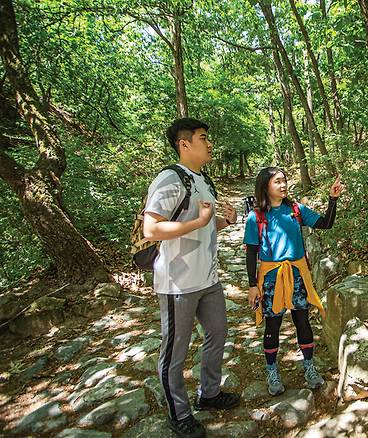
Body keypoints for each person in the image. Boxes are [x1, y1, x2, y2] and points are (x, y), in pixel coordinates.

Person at [143, 118, 240, 438]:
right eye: (202, 138)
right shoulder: (169, 179)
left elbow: (206, 227)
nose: (209, 143)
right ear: (184, 144)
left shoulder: (205, 181)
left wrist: (224, 221)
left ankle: (209, 393)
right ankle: (179, 414)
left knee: (218, 334)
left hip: (208, 280)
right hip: (177, 284)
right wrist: (199, 222)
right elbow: (152, 229)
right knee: (175, 352)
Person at [243, 167, 345, 396]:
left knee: (303, 322)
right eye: (277, 181)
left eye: (284, 180)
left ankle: (309, 367)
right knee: (272, 326)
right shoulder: (256, 216)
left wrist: (333, 199)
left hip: (298, 274)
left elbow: (325, 223)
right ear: (265, 186)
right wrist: (252, 285)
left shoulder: (296, 210)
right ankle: (272, 370)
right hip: (271, 278)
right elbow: (251, 252)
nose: (283, 185)